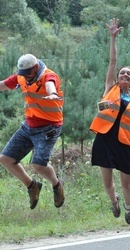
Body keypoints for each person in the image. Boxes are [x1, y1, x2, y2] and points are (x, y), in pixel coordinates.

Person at [90, 18, 130, 225]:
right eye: (122, 72)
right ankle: (114, 203)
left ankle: (129, 209)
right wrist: (113, 38)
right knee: (107, 181)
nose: (124, 74)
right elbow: (112, 62)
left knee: (126, 182)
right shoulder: (109, 90)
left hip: (124, 144)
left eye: (128, 74)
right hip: (104, 138)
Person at [0, 53, 65, 210]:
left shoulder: (48, 76)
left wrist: (53, 94)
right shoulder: (22, 76)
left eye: (28, 73)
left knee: (38, 165)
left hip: (49, 127)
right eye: (22, 74)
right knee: (5, 159)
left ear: (35, 68)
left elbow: (50, 85)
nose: (25, 77)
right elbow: (3, 84)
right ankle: (32, 186)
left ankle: (57, 185)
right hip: (29, 125)